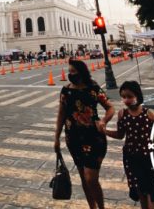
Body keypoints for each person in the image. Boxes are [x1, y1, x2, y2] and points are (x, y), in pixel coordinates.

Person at [103, 81, 154, 209]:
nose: (126, 100)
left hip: (150, 159)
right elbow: (120, 135)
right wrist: (105, 131)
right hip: (132, 160)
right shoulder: (122, 114)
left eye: (129, 96)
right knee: (141, 194)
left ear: (137, 96)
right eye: (123, 97)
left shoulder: (148, 114)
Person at [55, 59, 114, 209]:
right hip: (73, 138)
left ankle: (101, 207)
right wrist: (56, 139)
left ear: (81, 72)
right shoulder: (66, 91)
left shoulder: (93, 88)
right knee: (83, 177)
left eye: (73, 71)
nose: (70, 74)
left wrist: (104, 121)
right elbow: (61, 115)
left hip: (94, 137)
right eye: (69, 71)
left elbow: (110, 107)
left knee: (91, 178)